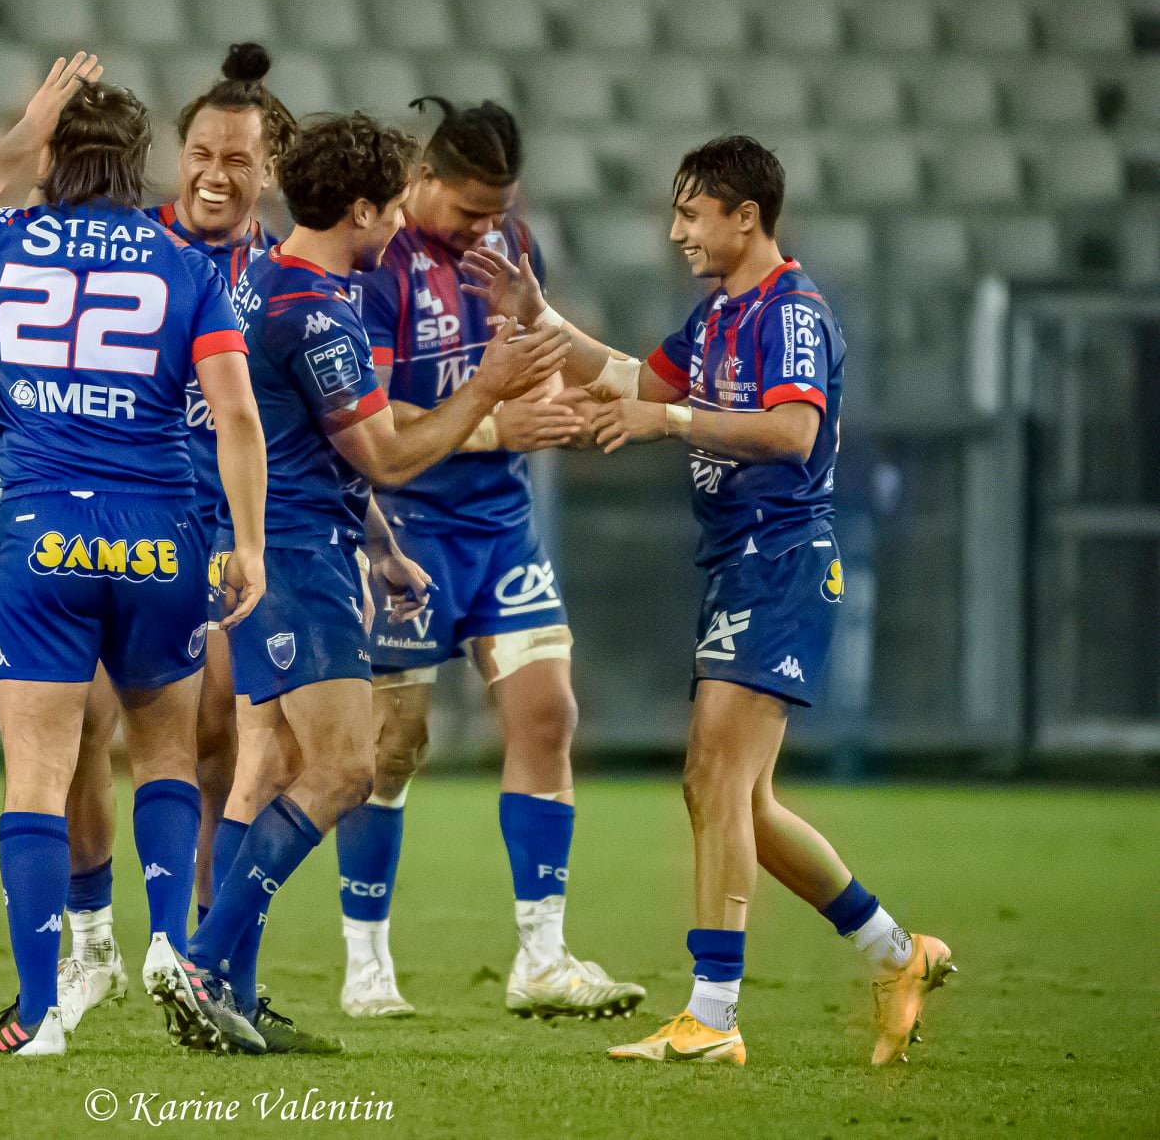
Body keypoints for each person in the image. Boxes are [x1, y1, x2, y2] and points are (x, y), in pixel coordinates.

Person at [463, 134, 955, 1066]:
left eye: (692, 213)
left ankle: (715, 1015)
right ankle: (898, 953)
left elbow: (792, 432)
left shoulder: (790, 311)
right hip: (739, 562)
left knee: (714, 782)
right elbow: (628, 379)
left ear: (746, 215)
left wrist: (669, 419)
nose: (677, 232)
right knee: (744, 803)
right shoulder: (720, 314)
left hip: (782, 560)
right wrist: (540, 317)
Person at [162, 111, 570, 1055]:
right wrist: (488, 386)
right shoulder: (317, 314)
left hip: (273, 543)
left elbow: (311, 445)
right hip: (296, 558)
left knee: (269, 768)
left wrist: (381, 548)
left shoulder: (265, 280)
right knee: (346, 768)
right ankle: (202, 964)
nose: (397, 223)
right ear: (358, 209)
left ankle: (232, 995)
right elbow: (385, 455)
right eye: (389, 207)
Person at [0, 56, 272, 1057]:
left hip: (45, 538)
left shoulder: (6, 242)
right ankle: (169, 941)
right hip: (163, 537)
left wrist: (17, 134)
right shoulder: (188, 267)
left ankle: (40, 1013)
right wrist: (248, 545)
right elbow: (237, 417)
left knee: (37, 776)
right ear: (139, 164)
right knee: (166, 755)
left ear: (51, 159)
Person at [340, 97, 644, 1023]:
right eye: (470, 210)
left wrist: (562, 405)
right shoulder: (377, 263)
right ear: (423, 178)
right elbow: (371, 420)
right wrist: (497, 423)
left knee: (548, 713)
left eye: (498, 211)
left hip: (501, 525)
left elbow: (532, 360)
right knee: (394, 745)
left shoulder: (509, 247)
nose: (485, 229)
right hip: (405, 526)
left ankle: (542, 958)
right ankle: (365, 963)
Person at [54, 44, 297, 1034]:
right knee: (78, 724)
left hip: (225, 534)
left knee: (222, 741)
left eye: (237, 159)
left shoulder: (288, 277)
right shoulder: (129, 250)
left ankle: (203, 961)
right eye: (200, 152)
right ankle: (89, 943)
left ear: (269, 169)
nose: (214, 173)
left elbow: (301, 426)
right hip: (123, 515)